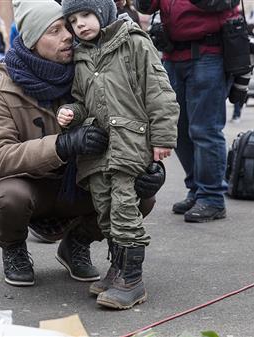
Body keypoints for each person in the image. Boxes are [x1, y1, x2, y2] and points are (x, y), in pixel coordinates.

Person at [0, 0, 166, 289]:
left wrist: (150, 167)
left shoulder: (90, 69)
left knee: (141, 196)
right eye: (54, 31)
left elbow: (133, 116)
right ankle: (14, 249)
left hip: (83, 182)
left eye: (67, 27)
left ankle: (77, 243)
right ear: (32, 42)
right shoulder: (3, 88)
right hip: (34, 186)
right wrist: (61, 145)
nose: (68, 35)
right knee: (9, 198)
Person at [58, 0, 179, 309]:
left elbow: (159, 91)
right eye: (72, 20)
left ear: (102, 11)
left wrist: (163, 137)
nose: (80, 24)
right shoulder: (82, 55)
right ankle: (118, 268)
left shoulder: (133, 41)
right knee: (105, 210)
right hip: (98, 151)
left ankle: (132, 280)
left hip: (130, 143)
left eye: (85, 14)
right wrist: (71, 112)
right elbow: (81, 99)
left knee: (125, 208)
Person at [135, 0, 240, 222]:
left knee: (205, 130)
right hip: (172, 56)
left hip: (209, 54)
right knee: (178, 129)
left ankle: (212, 198)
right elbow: (145, 7)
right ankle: (197, 189)